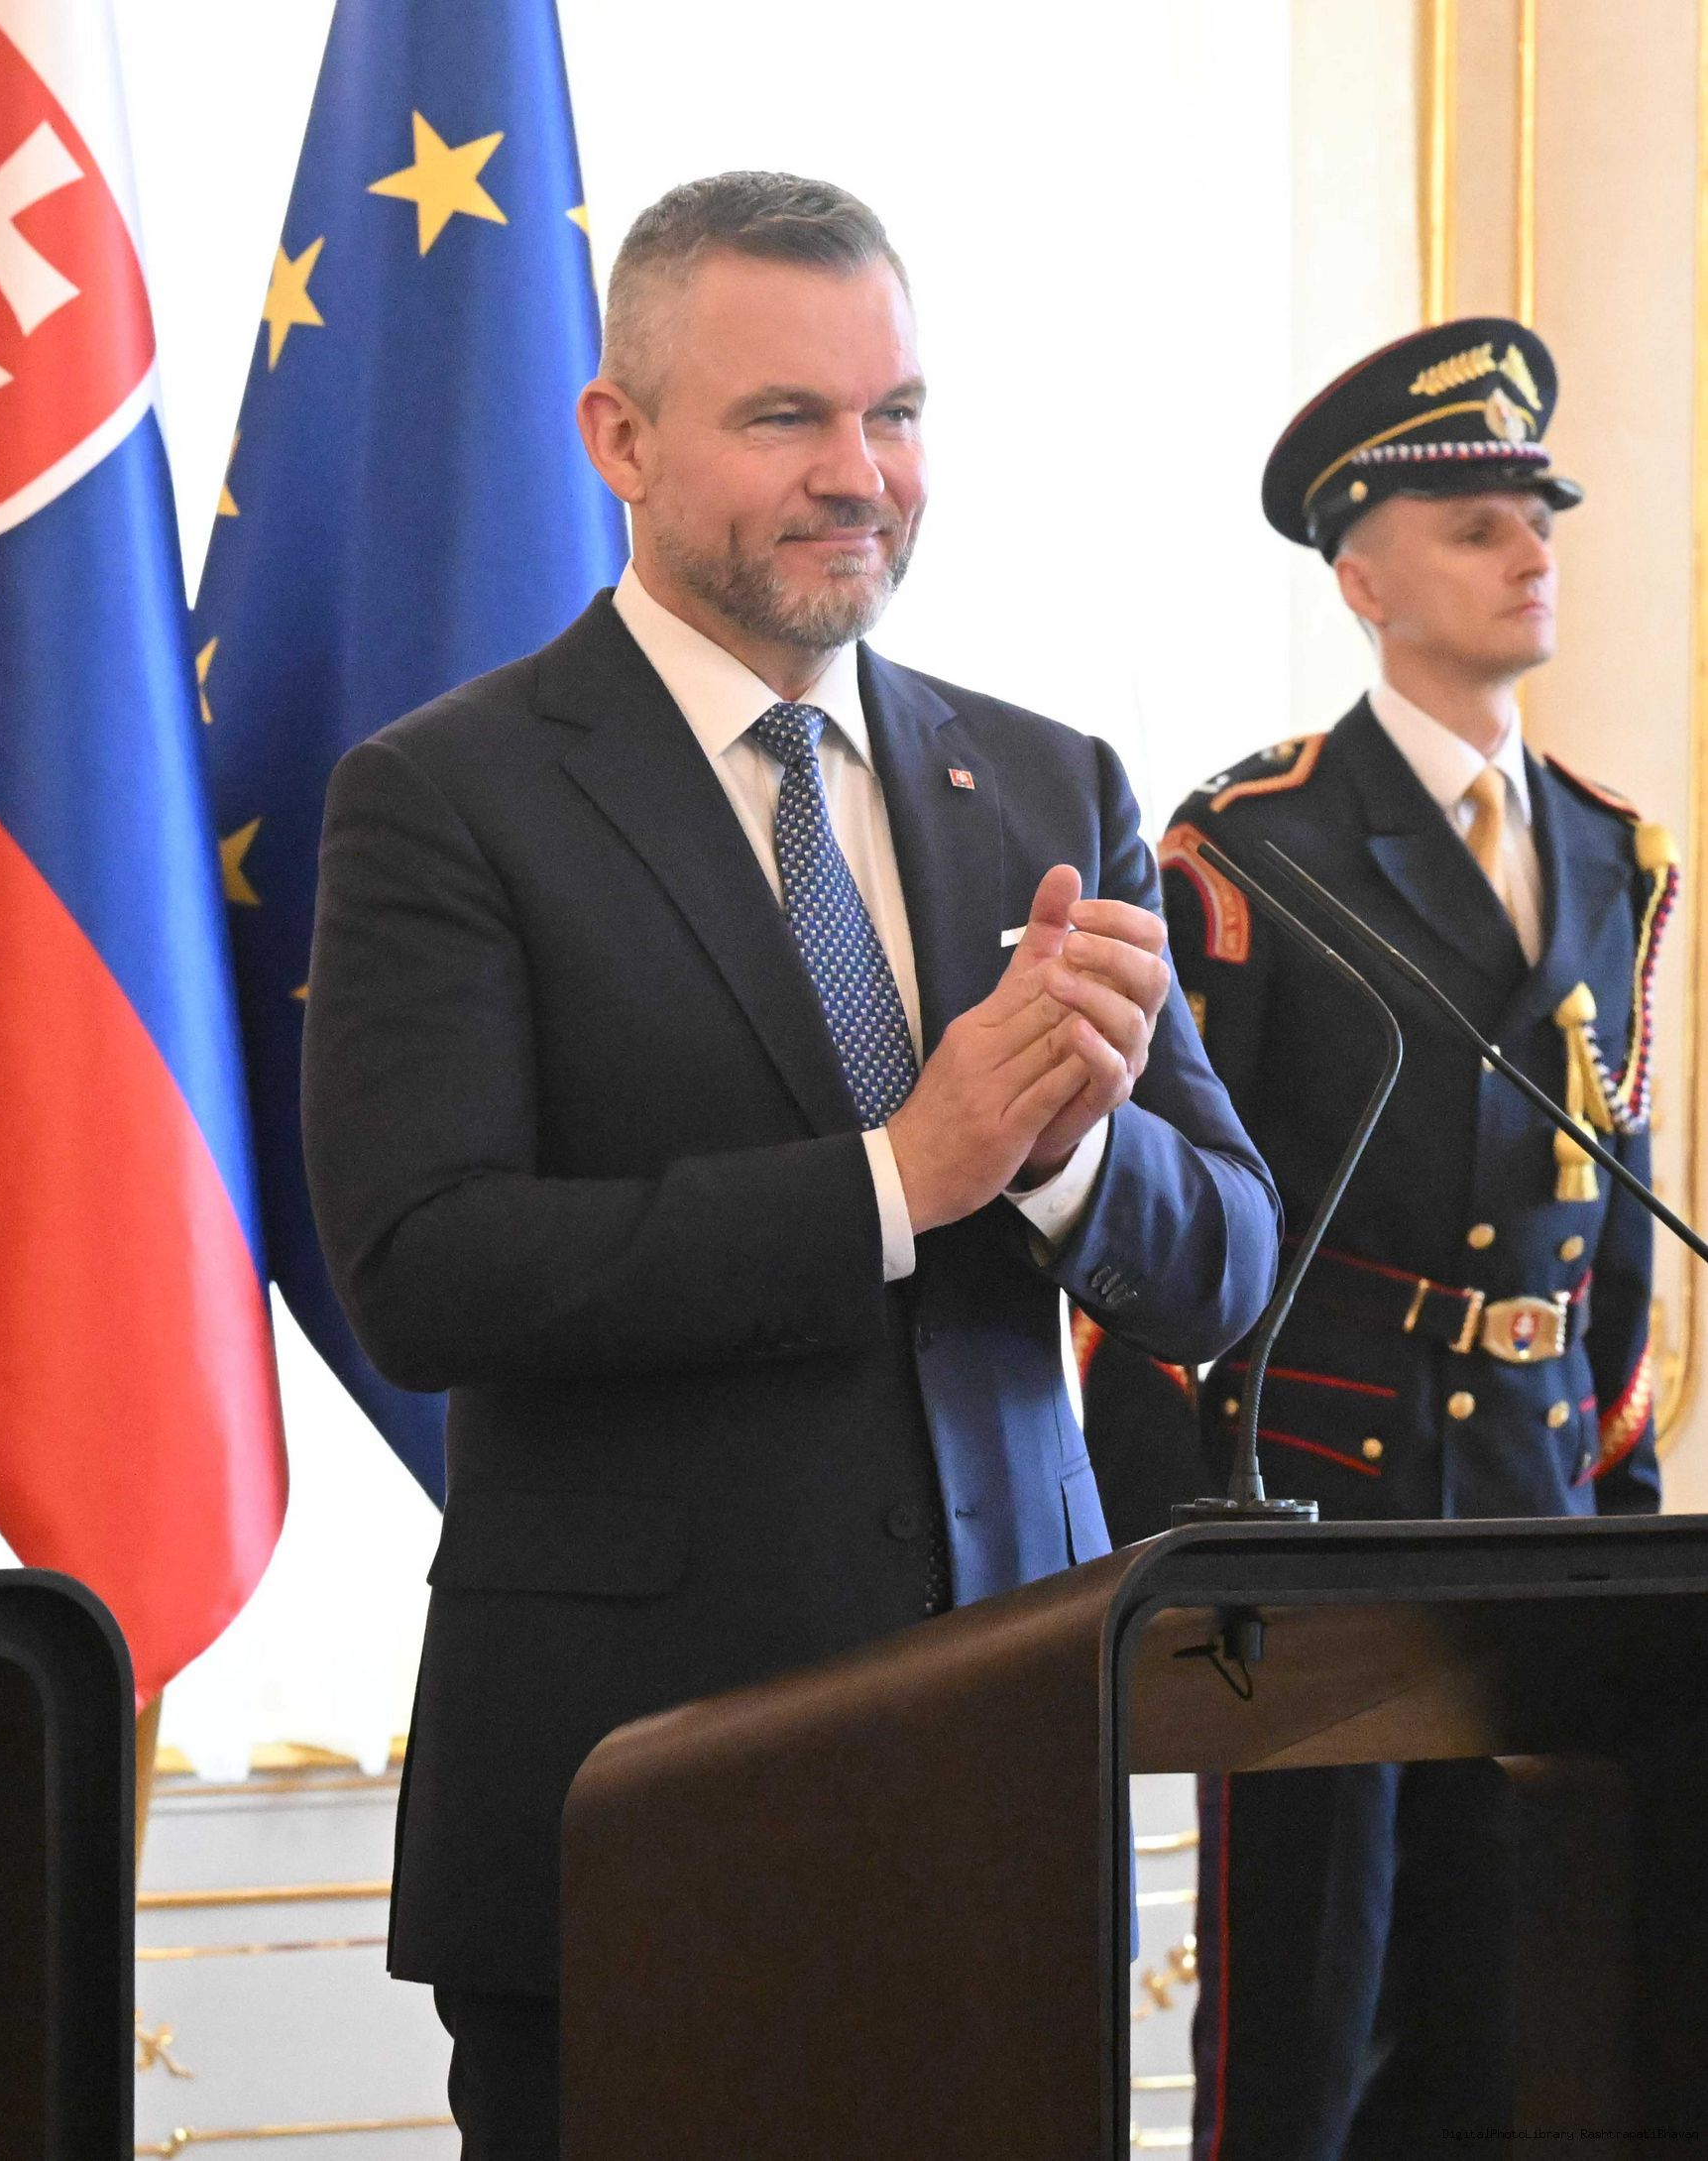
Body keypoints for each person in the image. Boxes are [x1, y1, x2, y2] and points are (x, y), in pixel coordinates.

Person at [299, 171, 1280, 2158]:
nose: (861, 473)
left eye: (895, 412)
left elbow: (1231, 1257)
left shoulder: (1050, 779)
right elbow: (427, 1268)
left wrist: (1063, 1162)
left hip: (1006, 1798)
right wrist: (899, 1178)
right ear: (620, 438)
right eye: (786, 418)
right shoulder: (446, 796)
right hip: (637, 1804)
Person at [1085, 320, 1675, 2158]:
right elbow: (1168, 1213)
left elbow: (1610, 1205)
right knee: (1306, 2025)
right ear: (1360, 577)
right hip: (1319, 1507)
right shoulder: (1250, 845)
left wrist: (1624, 1504)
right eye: (1473, 525)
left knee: (1520, 2015)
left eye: (1535, 517)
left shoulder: (1613, 851)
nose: (1527, 551)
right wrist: (1172, 1537)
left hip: (1532, 1508)